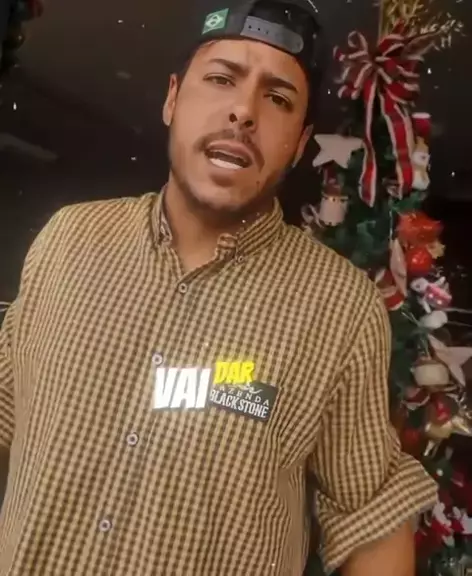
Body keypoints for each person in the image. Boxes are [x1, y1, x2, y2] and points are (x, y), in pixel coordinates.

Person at [0, 0, 438, 574]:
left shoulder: (339, 306)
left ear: (299, 143)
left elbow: (371, 520)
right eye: (221, 78)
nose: (243, 111)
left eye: (278, 98)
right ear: (172, 99)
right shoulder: (69, 239)